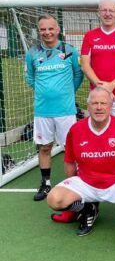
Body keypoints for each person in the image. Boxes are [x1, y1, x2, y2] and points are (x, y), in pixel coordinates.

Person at [46, 87, 115, 236]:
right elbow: (69, 162)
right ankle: (87, 210)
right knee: (54, 199)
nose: (99, 107)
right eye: (94, 103)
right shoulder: (75, 130)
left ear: (110, 106)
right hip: (86, 182)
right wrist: (74, 195)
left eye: (103, 103)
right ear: (88, 106)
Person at [25, 14, 83, 201]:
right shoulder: (32, 53)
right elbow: (31, 78)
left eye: (51, 28)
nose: (47, 32)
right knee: (44, 147)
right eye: (43, 29)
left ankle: (73, 183)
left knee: (70, 148)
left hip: (65, 111)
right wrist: (45, 92)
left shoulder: (70, 51)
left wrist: (66, 93)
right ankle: (46, 183)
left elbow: (78, 75)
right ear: (39, 31)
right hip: (42, 110)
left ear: (57, 30)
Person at [81, 0, 115, 125]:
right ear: (98, 13)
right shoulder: (89, 36)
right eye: (104, 10)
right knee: (97, 130)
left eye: (111, 10)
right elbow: (85, 65)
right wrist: (101, 87)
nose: (107, 13)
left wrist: (111, 86)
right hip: (97, 96)